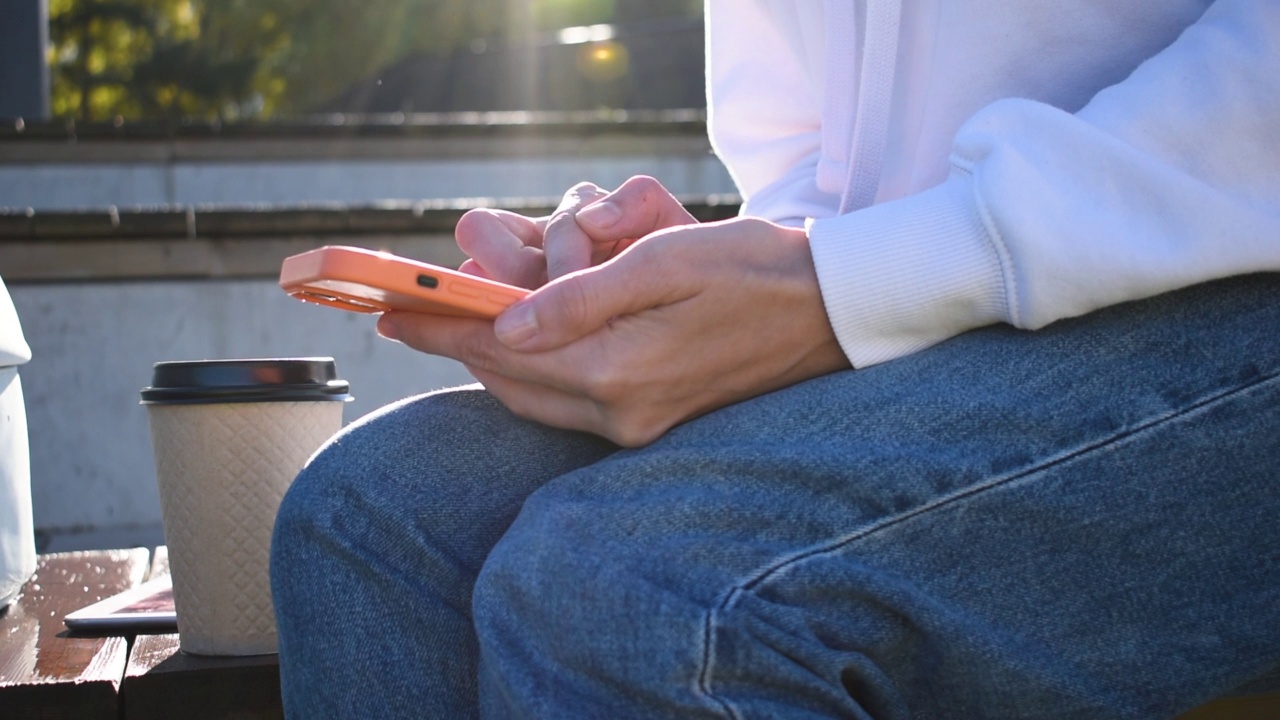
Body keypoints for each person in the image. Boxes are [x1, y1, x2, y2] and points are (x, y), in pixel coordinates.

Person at [269, 1, 1280, 717]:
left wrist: (860, 282)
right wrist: (727, 278)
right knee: (373, 515)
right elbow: (815, 139)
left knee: (639, 590)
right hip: (939, 309)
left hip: (1235, 283)